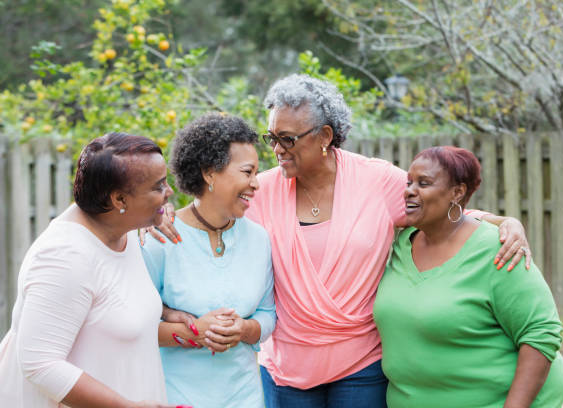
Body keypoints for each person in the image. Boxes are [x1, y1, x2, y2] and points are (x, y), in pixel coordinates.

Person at [149, 74, 531, 408]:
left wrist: (501, 220)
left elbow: (434, 208)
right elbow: (208, 209)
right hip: (287, 370)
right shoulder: (261, 188)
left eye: (287, 139)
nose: (277, 149)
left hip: (361, 366)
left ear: (325, 137)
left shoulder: (376, 180)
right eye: (272, 138)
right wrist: (158, 216)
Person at [0, 133, 188, 408]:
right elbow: (39, 363)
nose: (169, 192)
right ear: (119, 200)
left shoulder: (121, 229)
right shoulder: (64, 257)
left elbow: (107, 304)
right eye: (159, 186)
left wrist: (164, 311)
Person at [373, 146, 563, 407]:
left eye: (424, 183)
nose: (409, 190)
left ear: (457, 192)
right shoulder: (401, 244)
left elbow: (541, 332)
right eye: (409, 182)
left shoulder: (498, 249)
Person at [140, 113, 276, 408]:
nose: (256, 183)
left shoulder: (259, 239)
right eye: (247, 172)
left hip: (245, 398)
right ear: (209, 173)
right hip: (175, 396)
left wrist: (243, 329)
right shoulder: (160, 239)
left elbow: (267, 314)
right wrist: (194, 334)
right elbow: (135, 327)